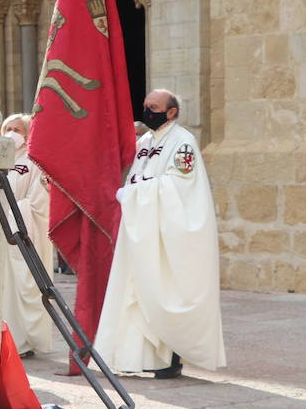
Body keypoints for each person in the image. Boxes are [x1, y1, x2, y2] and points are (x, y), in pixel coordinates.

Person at [95, 90, 226, 379]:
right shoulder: (144, 141)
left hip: (165, 230)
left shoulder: (183, 142)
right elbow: (137, 177)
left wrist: (134, 194)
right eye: (145, 106)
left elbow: (180, 185)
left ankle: (168, 358)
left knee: (161, 286)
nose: (147, 111)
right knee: (136, 290)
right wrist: (131, 194)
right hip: (141, 228)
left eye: (153, 107)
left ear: (171, 112)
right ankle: (137, 357)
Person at [0, 114, 55, 356]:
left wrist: (12, 214)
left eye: (18, 129)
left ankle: (23, 341)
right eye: (8, 128)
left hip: (20, 230)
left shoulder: (36, 162)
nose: (12, 133)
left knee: (22, 283)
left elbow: (39, 203)